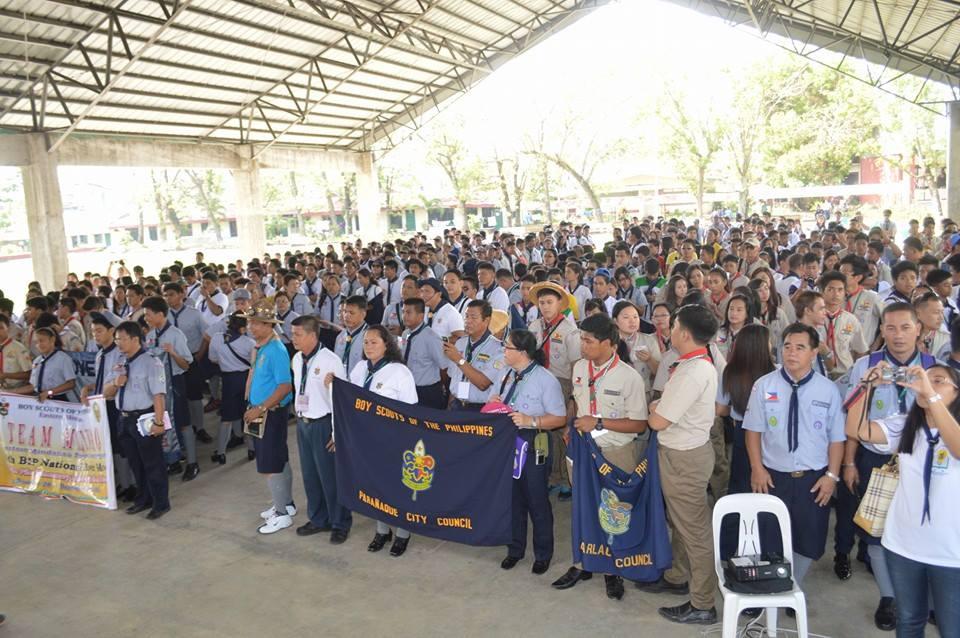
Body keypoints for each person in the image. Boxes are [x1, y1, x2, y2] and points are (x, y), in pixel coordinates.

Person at [837, 302, 938, 630]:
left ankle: (927, 598)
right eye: (890, 328)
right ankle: (889, 597)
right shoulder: (866, 365)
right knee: (875, 532)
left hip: (922, 461)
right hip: (874, 457)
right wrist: (850, 461)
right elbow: (852, 417)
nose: (897, 335)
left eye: (905, 327)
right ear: (881, 330)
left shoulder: (935, 370)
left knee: (923, 528)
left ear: (918, 329)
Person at [845, 363, 960, 637]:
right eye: (923, 379)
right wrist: (866, 387)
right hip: (904, 546)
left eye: (939, 381)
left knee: (952, 628)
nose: (927, 385)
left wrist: (930, 396)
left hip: (951, 552)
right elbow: (856, 429)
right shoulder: (906, 425)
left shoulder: (953, 430)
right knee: (908, 620)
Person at [552, 314, 649, 601]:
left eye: (589, 341)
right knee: (583, 509)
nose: (583, 346)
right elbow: (576, 400)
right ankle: (582, 563)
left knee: (614, 514)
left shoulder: (628, 377)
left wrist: (599, 423)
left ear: (609, 344)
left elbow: (639, 424)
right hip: (581, 450)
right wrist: (571, 424)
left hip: (615, 452)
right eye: (582, 339)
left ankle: (613, 570)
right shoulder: (580, 367)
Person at [743, 323, 845, 593]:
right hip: (773, 476)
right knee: (768, 535)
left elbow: (837, 439)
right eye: (787, 346)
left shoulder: (828, 390)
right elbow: (753, 430)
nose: (791, 353)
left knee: (808, 540)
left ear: (814, 352)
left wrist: (832, 477)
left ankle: (791, 585)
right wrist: (757, 468)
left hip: (813, 479)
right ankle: (769, 586)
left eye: (800, 347)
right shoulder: (764, 385)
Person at [642, 304, 719, 625]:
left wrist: (653, 408)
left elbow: (657, 420)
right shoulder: (690, 364)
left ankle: (703, 603)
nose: (669, 329)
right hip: (684, 452)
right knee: (682, 523)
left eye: (673, 325)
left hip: (684, 459)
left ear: (685, 333)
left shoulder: (693, 371)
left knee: (695, 531)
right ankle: (677, 576)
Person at [487, 330, 566, 575]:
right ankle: (515, 549)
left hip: (534, 441)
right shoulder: (506, 373)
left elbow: (559, 418)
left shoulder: (545, 379)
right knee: (512, 498)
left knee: (536, 499)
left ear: (522, 352)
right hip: (507, 441)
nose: (504, 351)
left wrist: (530, 421)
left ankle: (543, 553)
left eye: (507, 348)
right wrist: (496, 401)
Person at [348, 325, 418, 557]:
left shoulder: (399, 372)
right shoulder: (360, 368)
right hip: (366, 439)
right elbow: (349, 399)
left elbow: (411, 410)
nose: (368, 347)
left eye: (374, 342)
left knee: (396, 488)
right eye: (366, 342)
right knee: (374, 485)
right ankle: (381, 529)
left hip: (393, 440)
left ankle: (402, 533)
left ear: (387, 345)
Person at [715, 323, 775, 558]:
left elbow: (720, 409)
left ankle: (730, 551)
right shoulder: (775, 372)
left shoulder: (730, 373)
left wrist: (735, 411)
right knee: (767, 491)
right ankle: (766, 549)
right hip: (771, 437)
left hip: (741, 435)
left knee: (739, 490)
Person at [291, 315, 350, 545]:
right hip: (304, 423)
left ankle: (340, 523)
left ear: (313, 335)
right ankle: (318, 518)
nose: (293, 338)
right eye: (293, 333)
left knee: (330, 477)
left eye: (298, 334)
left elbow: (339, 399)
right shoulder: (297, 359)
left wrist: (337, 433)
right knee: (310, 475)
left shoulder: (330, 360)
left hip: (323, 424)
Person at [103, 320, 170, 519]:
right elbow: (106, 392)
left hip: (145, 418)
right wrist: (116, 382)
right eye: (116, 340)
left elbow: (159, 395)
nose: (119, 344)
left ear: (135, 339)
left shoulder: (151, 362)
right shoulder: (119, 362)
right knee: (135, 463)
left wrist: (158, 423)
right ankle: (143, 499)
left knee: (152, 463)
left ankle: (161, 503)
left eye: (122, 339)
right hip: (123, 419)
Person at [243, 303, 295, 535]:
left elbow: (285, 386)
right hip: (264, 412)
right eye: (249, 322)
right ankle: (286, 503)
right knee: (279, 459)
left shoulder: (275, 349)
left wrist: (261, 408)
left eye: (255, 323)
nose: (250, 327)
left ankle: (282, 515)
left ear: (268, 325)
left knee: (271, 464)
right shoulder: (263, 347)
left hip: (270, 414)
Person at [528, 282, 580, 499]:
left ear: (560, 303)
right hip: (539, 382)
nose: (545, 307)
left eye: (550, 302)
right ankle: (550, 475)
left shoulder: (570, 331)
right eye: (542, 303)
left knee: (562, 431)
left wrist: (572, 397)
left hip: (562, 382)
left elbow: (577, 365)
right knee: (543, 430)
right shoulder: (534, 327)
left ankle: (565, 479)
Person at [80, 312, 135, 502]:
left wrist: (102, 392)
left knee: (122, 446)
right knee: (111, 444)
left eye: (100, 331)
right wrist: (88, 388)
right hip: (102, 404)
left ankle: (131, 485)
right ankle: (124, 484)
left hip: (115, 405)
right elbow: (100, 380)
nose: (95, 334)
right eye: (93, 331)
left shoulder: (119, 354)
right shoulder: (100, 354)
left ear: (112, 331)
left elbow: (114, 385)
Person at [142, 296, 198, 481]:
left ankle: (192, 462)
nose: (146, 319)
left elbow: (186, 365)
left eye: (148, 315)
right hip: (157, 386)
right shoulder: (150, 336)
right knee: (162, 423)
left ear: (160, 314)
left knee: (182, 423)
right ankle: (172, 460)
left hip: (175, 384)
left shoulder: (175, 335)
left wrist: (173, 353)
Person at [164, 283, 215, 449]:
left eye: (171, 294)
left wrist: (199, 355)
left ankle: (199, 428)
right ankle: (182, 429)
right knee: (177, 397)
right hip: (170, 361)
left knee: (195, 396)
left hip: (192, 358)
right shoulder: (163, 316)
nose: (168, 298)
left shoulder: (194, 314)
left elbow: (206, 335)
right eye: (165, 295)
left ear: (181, 294)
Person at [206, 312, 255, 464]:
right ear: (242, 328)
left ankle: (221, 452)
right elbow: (254, 363)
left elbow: (212, 359)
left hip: (228, 380)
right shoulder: (249, 342)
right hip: (246, 379)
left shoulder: (216, 338)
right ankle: (252, 449)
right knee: (248, 415)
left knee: (226, 417)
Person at [443, 300, 504, 411]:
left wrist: (459, 359)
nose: (468, 321)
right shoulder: (460, 343)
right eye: (466, 316)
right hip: (456, 405)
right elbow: (453, 378)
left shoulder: (498, 349)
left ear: (486, 320)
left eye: (473, 317)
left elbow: (483, 384)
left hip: (478, 408)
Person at [399, 297, 448, 409]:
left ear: (421, 316)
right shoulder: (405, 334)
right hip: (407, 387)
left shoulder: (431, 337)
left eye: (408, 312)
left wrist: (441, 388)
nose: (404, 316)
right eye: (403, 312)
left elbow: (444, 367)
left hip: (427, 391)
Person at [11, 327, 76, 401]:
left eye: (41, 341)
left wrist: (50, 392)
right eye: (36, 342)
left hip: (57, 399)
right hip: (39, 399)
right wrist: (11, 392)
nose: (39, 344)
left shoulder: (63, 359)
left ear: (52, 340)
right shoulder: (37, 361)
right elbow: (33, 387)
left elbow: (71, 384)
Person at [0, 314, 31, 391]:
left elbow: (29, 374)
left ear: (8, 328)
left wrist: (6, 375)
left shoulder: (19, 348)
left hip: (16, 391)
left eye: (1, 328)